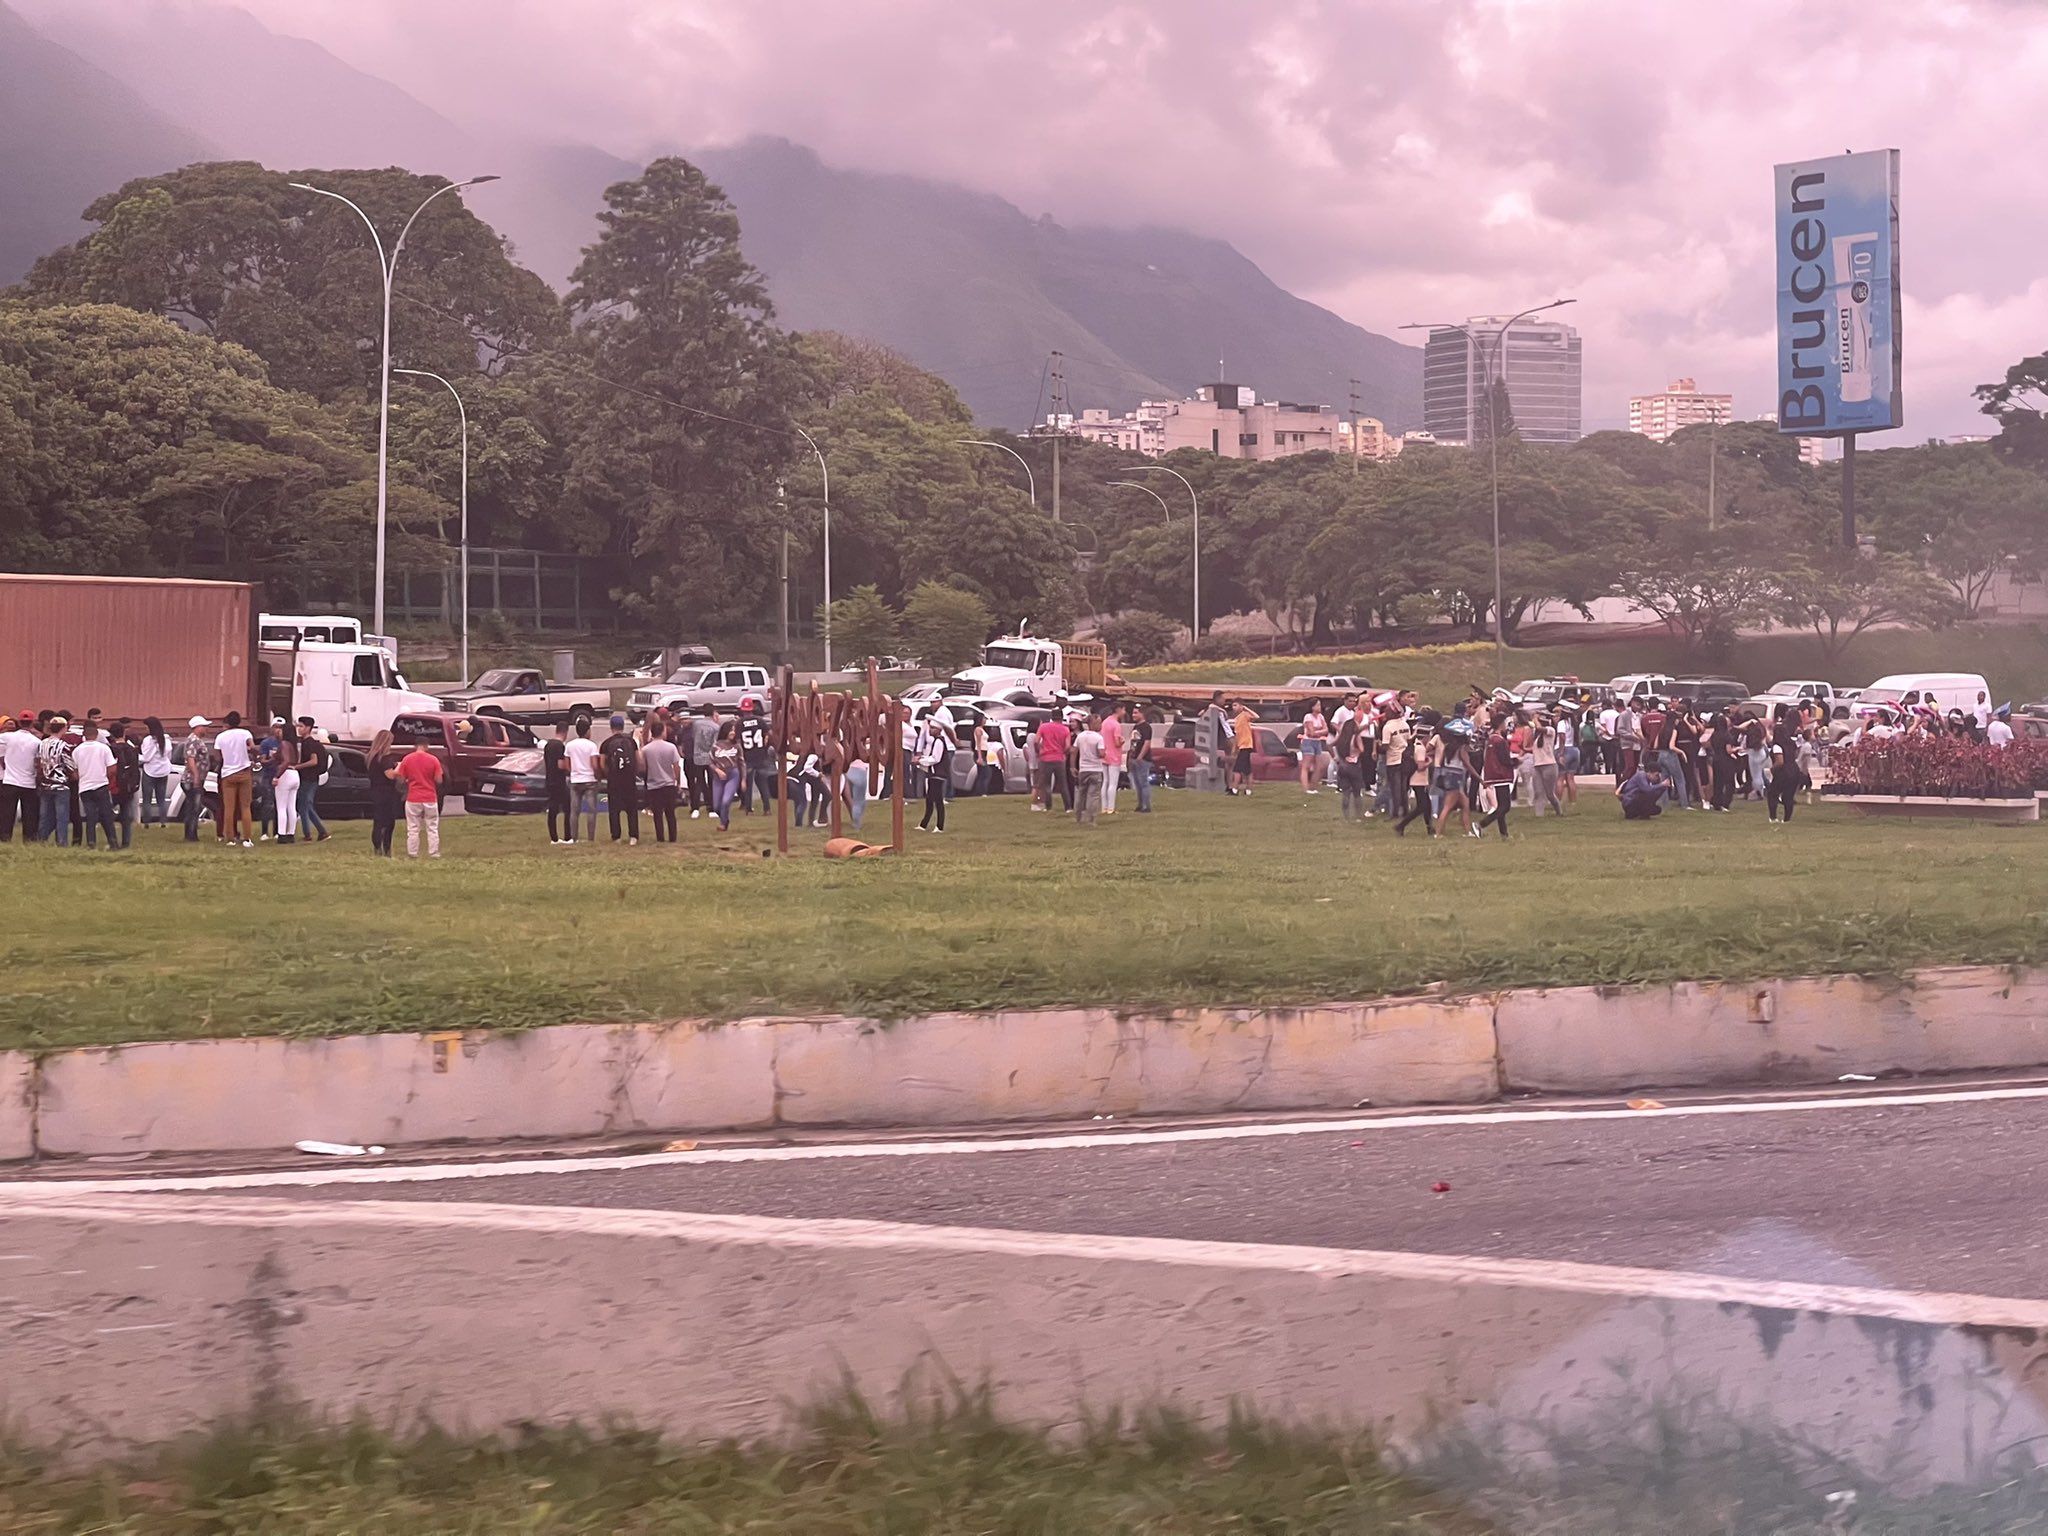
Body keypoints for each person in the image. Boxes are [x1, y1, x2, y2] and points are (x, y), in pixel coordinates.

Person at [73, 718, 120, 850]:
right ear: (97, 735)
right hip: (101, 785)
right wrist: (104, 777)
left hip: (84, 788)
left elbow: (75, 773)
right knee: (106, 815)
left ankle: (91, 843)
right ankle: (113, 842)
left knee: (90, 817)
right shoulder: (103, 748)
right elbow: (112, 769)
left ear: (84, 735)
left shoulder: (77, 751)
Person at [397, 735, 444, 857]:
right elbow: (439, 780)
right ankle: (433, 853)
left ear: (415, 746)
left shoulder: (407, 759)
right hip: (429, 797)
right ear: (427, 745)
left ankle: (412, 853)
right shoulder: (433, 760)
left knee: (412, 828)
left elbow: (401, 779)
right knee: (432, 827)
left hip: (413, 797)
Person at [1393, 714, 1439, 837]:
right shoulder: (1420, 749)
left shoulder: (1417, 746)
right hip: (1418, 781)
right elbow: (1420, 766)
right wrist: (1429, 762)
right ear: (1425, 736)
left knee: (1426, 806)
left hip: (1418, 781)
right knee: (1422, 807)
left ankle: (1430, 828)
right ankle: (1401, 825)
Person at [215, 710, 255, 846]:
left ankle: (230, 838)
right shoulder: (245, 734)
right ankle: (247, 838)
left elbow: (218, 755)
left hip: (228, 773)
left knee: (229, 808)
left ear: (227, 722)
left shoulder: (220, 737)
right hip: (244, 771)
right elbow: (252, 747)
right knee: (245, 807)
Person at [600, 714, 641, 844]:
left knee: (614, 809)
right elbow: (638, 759)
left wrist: (608, 774)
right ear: (623, 726)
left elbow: (602, 763)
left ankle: (616, 836)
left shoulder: (606, 743)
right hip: (629, 778)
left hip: (614, 779)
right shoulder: (631, 742)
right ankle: (633, 836)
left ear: (611, 727)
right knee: (632, 808)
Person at [641, 716, 682, 842]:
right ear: (663, 731)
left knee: (657, 813)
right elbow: (676, 766)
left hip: (653, 784)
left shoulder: (646, 749)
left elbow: (644, 767)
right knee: (670, 813)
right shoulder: (670, 747)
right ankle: (673, 837)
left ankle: (660, 837)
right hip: (668, 783)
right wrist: (677, 781)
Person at [36, 714, 75, 846]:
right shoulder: (63, 746)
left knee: (45, 816)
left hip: (45, 784)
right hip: (60, 785)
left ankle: (41, 840)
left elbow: (38, 763)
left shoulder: (42, 744)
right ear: (63, 728)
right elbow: (70, 766)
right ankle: (61, 842)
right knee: (61, 817)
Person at [916, 707, 955, 832]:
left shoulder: (939, 741)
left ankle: (939, 826)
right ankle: (924, 824)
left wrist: (920, 761)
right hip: (934, 773)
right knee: (930, 799)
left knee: (937, 800)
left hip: (938, 773)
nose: (930, 731)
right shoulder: (936, 741)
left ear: (938, 730)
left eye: (933, 728)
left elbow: (936, 758)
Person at [0, 714, 37, 844]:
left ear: (19, 723)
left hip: (10, 780)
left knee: (6, 813)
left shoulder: (8, 738)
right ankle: (29, 839)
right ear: (32, 723)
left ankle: (4, 838)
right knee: (30, 815)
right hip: (29, 782)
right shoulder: (36, 741)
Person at [1475, 724, 1516, 839]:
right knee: (1505, 806)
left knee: (1500, 806)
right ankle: (1482, 824)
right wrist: (1515, 762)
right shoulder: (1500, 741)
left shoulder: (1491, 740)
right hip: (1501, 775)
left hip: (1494, 775)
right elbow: (1504, 759)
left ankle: (1504, 833)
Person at [565, 716, 602, 843]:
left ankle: (574, 837)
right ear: (587, 731)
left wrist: (573, 772)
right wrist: (598, 776)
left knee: (574, 811)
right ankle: (590, 837)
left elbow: (567, 764)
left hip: (575, 779)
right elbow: (595, 764)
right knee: (591, 810)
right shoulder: (592, 746)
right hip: (589, 779)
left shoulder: (569, 745)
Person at [1434, 726, 1477, 838]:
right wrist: (1480, 779)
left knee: (1465, 804)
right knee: (1448, 806)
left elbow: (1441, 761)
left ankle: (1467, 832)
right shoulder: (1461, 749)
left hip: (1448, 775)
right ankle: (1438, 833)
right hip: (1456, 777)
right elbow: (1468, 765)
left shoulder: (1448, 747)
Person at [365, 728, 401, 856]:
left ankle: (377, 848)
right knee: (388, 821)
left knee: (378, 821)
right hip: (386, 792)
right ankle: (386, 848)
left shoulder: (371, 757)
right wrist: (399, 769)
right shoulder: (385, 758)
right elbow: (390, 775)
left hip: (375, 790)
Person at [295, 718, 331, 842]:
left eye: (301, 726)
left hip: (308, 777)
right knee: (307, 805)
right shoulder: (312, 743)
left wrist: (297, 767)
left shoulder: (308, 743)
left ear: (309, 728)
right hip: (313, 778)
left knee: (303, 806)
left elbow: (313, 761)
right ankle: (322, 832)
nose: (299, 728)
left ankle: (308, 834)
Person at [1073, 711, 1108, 826]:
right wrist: (1104, 753)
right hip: (1095, 769)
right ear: (1093, 724)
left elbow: (1074, 751)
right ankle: (1091, 819)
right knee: (1093, 795)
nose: (1100, 725)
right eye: (1099, 723)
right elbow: (1101, 753)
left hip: (1083, 769)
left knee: (1081, 794)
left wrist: (1072, 766)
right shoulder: (1098, 738)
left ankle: (1078, 817)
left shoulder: (1080, 736)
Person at [738, 698, 773, 813]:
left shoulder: (740, 723)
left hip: (747, 756)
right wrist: (764, 747)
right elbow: (767, 736)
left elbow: (738, 741)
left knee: (748, 784)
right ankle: (767, 808)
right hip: (761, 755)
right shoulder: (760, 721)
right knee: (763, 783)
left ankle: (748, 808)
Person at [138, 717, 173, 832]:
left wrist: (136, 757)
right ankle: (163, 821)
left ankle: (147, 822)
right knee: (161, 798)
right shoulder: (166, 740)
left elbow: (146, 757)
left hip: (150, 771)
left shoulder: (148, 740)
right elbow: (168, 755)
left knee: (147, 799)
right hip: (163, 771)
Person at [179, 717, 210, 842]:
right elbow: (191, 759)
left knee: (192, 806)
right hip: (191, 780)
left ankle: (190, 833)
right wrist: (196, 776)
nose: (206, 729)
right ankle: (191, 835)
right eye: (204, 726)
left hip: (194, 779)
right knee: (194, 807)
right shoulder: (193, 741)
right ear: (198, 727)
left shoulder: (197, 740)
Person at [1034, 713, 1071, 812]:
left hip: (1045, 757)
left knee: (1046, 784)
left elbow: (1036, 741)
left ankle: (1048, 806)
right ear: (1061, 718)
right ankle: (1068, 807)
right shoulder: (1065, 729)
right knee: (1063, 784)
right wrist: (1063, 753)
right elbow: (1067, 746)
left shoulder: (1043, 727)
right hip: (1059, 758)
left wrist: (1039, 751)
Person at [710, 719, 742, 829]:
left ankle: (723, 824)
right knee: (716, 806)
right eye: (731, 730)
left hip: (733, 774)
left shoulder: (737, 746)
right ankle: (725, 819)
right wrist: (717, 770)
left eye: (734, 730)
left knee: (725, 801)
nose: (733, 732)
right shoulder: (715, 746)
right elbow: (710, 762)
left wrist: (743, 780)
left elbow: (742, 763)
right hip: (718, 777)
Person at [687, 704, 718, 818]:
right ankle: (711, 808)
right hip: (710, 757)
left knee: (699, 782)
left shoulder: (696, 724)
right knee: (711, 782)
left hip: (697, 755)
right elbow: (715, 744)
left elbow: (694, 737)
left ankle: (695, 808)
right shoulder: (715, 727)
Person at [544, 721, 572, 844]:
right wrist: (569, 768)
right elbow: (561, 765)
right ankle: (568, 836)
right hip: (559, 780)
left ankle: (553, 837)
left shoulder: (548, 745)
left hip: (549, 779)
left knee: (553, 808)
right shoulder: (560, 746)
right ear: (565, 732)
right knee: (567, 807)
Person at [272, 728, 301, 844]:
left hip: (286, 774)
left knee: (281, 807)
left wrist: (276, 776)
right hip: (295, 774)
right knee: (291, 807)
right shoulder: (294, 746)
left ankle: (282, 834)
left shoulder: (284, 744)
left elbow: (285, 761)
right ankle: (291, 833)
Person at [1297, 700, 1330, 794]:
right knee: (1306, 766)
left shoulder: (1321, 717)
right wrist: (1320, 730)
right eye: (1318, 705)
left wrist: (1317, 731)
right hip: (1308, 742)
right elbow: (1310, 733)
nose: (1320, 707)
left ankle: (1313, 787)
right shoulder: (1308, 717)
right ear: (1312, 707)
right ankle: (1305, 789)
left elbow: (1326, 730)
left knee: (1319, 766)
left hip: (1317, 742)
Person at [1127, 706, 1154, 813]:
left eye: (1136, 713)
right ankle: (1140, 804)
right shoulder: (1135, 727)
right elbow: (1133, 743)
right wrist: (1130, 757)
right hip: (1133, 758)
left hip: (1143, 759)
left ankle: (1146, 806)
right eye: (1133, 713)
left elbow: (1147, 743)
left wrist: (1140, 756)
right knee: (1137, 783)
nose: (1133, 715)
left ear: (1142, 714)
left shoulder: (1146, 727)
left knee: (1143, 783)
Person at [1098, 704, 1124, 814]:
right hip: (1114, 756)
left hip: (1105, 755)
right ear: (1118, 710)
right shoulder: (1116, 725)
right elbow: (1117, 743)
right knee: (1113, 783)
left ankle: (1104, 807)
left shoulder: (1105, 722)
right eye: (1123, 710)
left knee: (1105, 782)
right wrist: (1122, 741)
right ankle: (1111, 808)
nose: (1124, 712)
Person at [1229, 702, 1257, 796]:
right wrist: (1235, 748)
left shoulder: (1244, 715)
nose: (1234, 708)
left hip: (1246, 745)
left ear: (1241, 706)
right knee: (1247, 770)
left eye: (1236, 705)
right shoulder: (1237, 719)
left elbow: (1256, 716)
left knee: (1237, 769)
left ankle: (1234, 789)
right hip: (1242, 746)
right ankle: (1248, 790)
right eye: (1233, 706)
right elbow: (1237, 735)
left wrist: (1246, 708)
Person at [973, 718, 1003, 798]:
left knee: (983, 773)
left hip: (984, 752)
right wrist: (979, 756)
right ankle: (981, 792)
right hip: (981, 752)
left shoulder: (982, 729)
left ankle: (981, 791)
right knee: (985, 773)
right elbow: (978, 743)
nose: (984, 720)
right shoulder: (978, 729)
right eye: (983, 719)